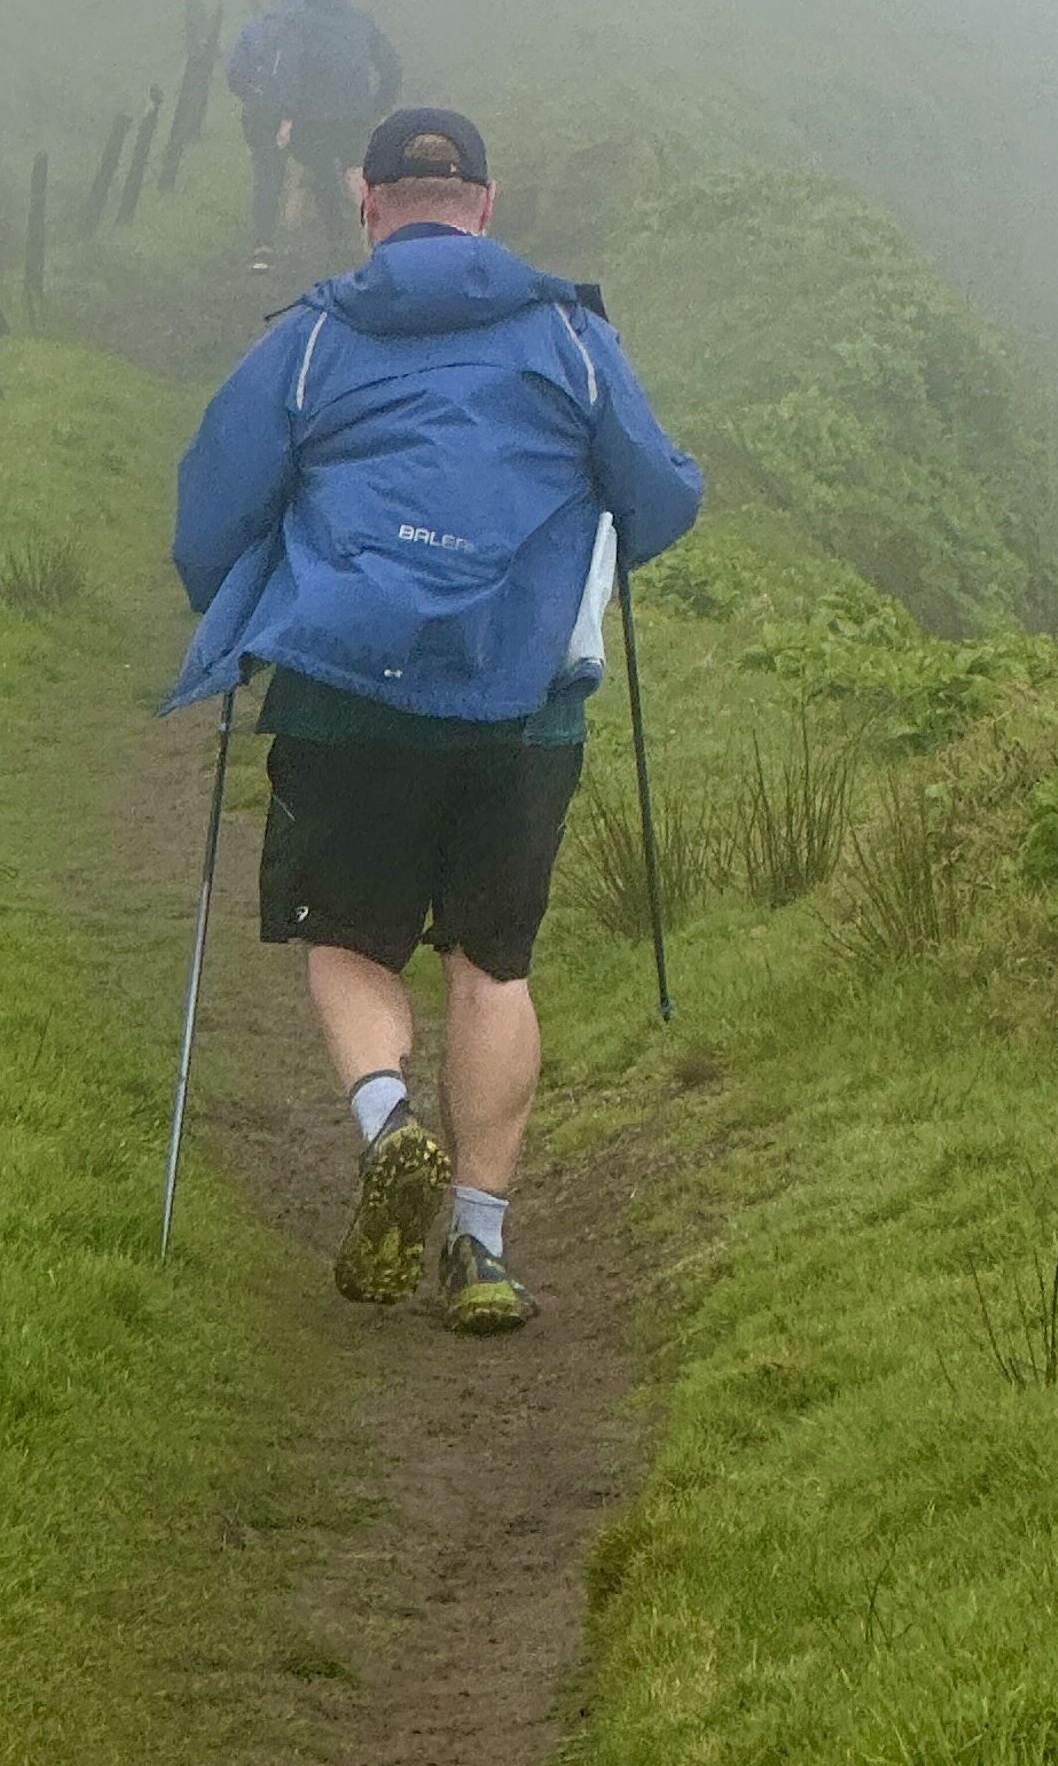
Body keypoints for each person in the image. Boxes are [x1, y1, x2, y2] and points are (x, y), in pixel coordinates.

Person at [167, 107, 702, 1331]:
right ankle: (481, 1250)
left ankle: (385, 1121)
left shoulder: (311, 339)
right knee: (491, 962)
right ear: (486, 206)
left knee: (351, 937)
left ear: (367, 206)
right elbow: (658, 498)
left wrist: (236, 603)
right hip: (524, 710)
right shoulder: (570, 337)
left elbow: (213, 507)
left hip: (346, 691)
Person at [263, 0, 402, 258]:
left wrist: (287, 116)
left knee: (319, 170)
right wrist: (379, 105)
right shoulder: (359, 18)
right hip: (356, 113)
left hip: (313, 116)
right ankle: (375, 234)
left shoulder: (297, 22)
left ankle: (325, 242)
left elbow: (287, 71)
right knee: (355, 171)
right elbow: (391, 64)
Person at [222, 0, 322, 270]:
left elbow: (234, 73)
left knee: (267, 176)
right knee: (322, 171)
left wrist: (255, 97)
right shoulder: (314, 25)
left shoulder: (258, 25)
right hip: (309, 112)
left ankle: (263, 245)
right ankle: (325, 248)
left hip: (262, 111)